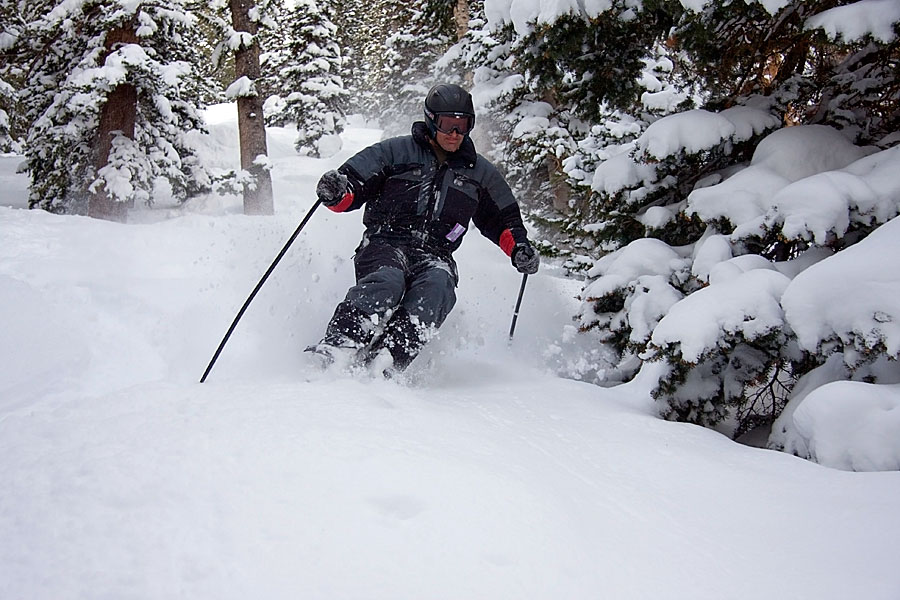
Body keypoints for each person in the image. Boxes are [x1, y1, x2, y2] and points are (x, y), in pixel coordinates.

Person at [309, 82, 539, 374]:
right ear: (431, 121)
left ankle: (388, 359)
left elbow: (503, 221)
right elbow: (352, 185)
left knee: (439, 286)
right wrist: (337, 191)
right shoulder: (395, 152)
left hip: (436, 253)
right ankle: (339, 345)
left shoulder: (480, 174)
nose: (455, 134)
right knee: (388, 281)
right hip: (385, 241)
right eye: (447, 124)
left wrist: (519, 248)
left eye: (463, 125)